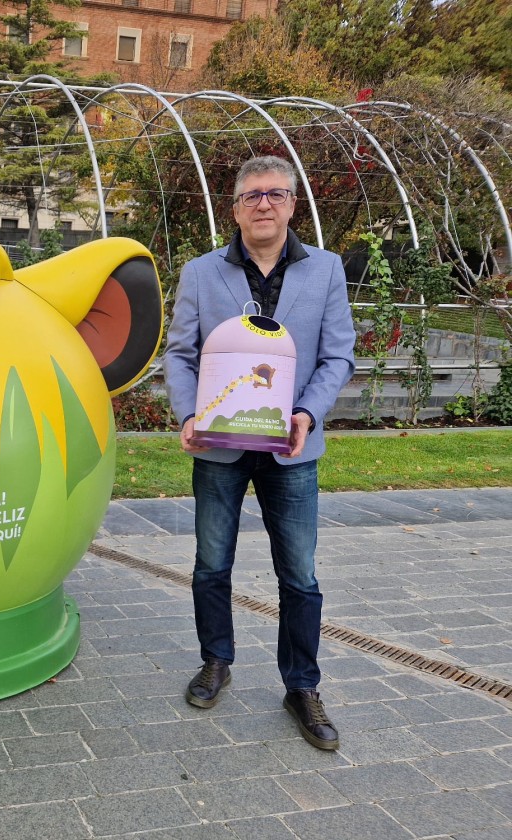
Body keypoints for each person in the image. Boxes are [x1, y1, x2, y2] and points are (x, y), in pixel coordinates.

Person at [162, 156, 356, 750]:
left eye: (275, 194)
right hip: (218, 447)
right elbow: (179, 354)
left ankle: (301, 686)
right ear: (236, 208)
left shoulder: (324, 271)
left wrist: (305, 414)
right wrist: (189, 414)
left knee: (299, 575)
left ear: (293, 203)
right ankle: (215, 660)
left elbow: (338, 356)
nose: (263, 204)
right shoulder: (201, 273)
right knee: (211, 564)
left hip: (291, 449)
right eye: (252, 196)